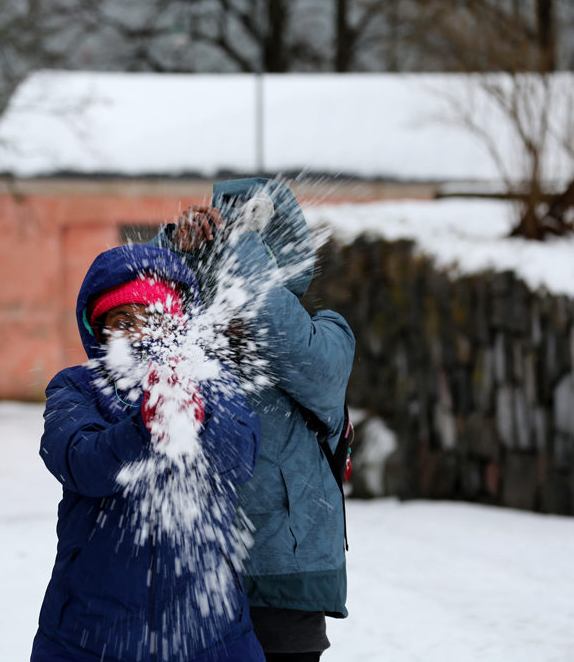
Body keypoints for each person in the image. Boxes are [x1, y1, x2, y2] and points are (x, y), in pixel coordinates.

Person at [151, 178, 356, 661]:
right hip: (198, 576)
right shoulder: (194, 335)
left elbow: (286, 340)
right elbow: (133, 329)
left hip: (285, 581)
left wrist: (236, 243)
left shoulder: (328, 333)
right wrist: (175, 255)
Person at [31, 244, 266, 662]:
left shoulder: (211, 381)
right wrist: (144, 427)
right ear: (100, 330)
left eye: (154, 317)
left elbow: (240, 456)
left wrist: (198, 418)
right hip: (90, 635)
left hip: (209, 635)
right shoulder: (75, 388)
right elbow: (81, 462)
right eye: (123, 321)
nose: (141, 333)